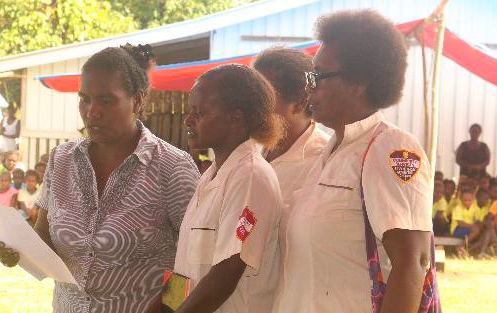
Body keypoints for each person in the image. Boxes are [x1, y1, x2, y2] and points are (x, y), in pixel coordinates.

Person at [0, 43, 199, 313]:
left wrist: (166, 310)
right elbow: (44, 235)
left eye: (106, 100)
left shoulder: (173, 167)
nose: (92, 111)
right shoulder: (61, 160)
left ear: (137, 100)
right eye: (84, 98)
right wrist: (19, 249)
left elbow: (192, 261)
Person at [272, 10, 434, 313]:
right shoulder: (332, 152)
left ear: (359, 82)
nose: (309, 86)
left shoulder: (389, 148)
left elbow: (413, 262)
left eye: (318, 76)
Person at [172, 64, 284, 313]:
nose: (188, 120)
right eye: (190, 111)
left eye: (199, 112)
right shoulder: (211, 176)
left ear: (236, 118)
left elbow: (225, 275)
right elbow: (185, 273)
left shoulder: (250, 177)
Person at [252, 47, 330, 225]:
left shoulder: (323, 163)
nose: (251, 108)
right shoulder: (249, 150)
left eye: (262, 99)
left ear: (300, 103)